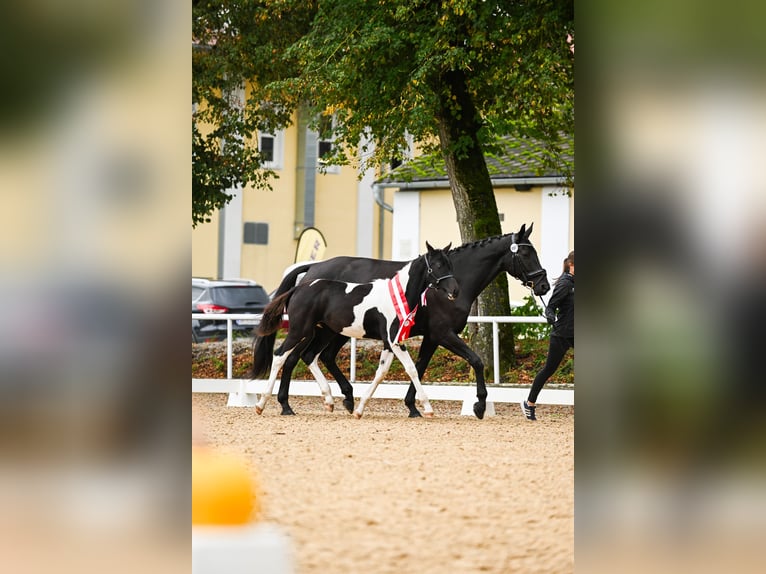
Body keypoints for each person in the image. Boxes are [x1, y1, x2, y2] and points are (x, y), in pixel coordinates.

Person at [521, 250, 574, 421]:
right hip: (562, 334)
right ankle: (529, 403)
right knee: (548, 370)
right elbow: (551, 306)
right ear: (571, 265)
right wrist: (550, 315)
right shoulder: (565, 284)